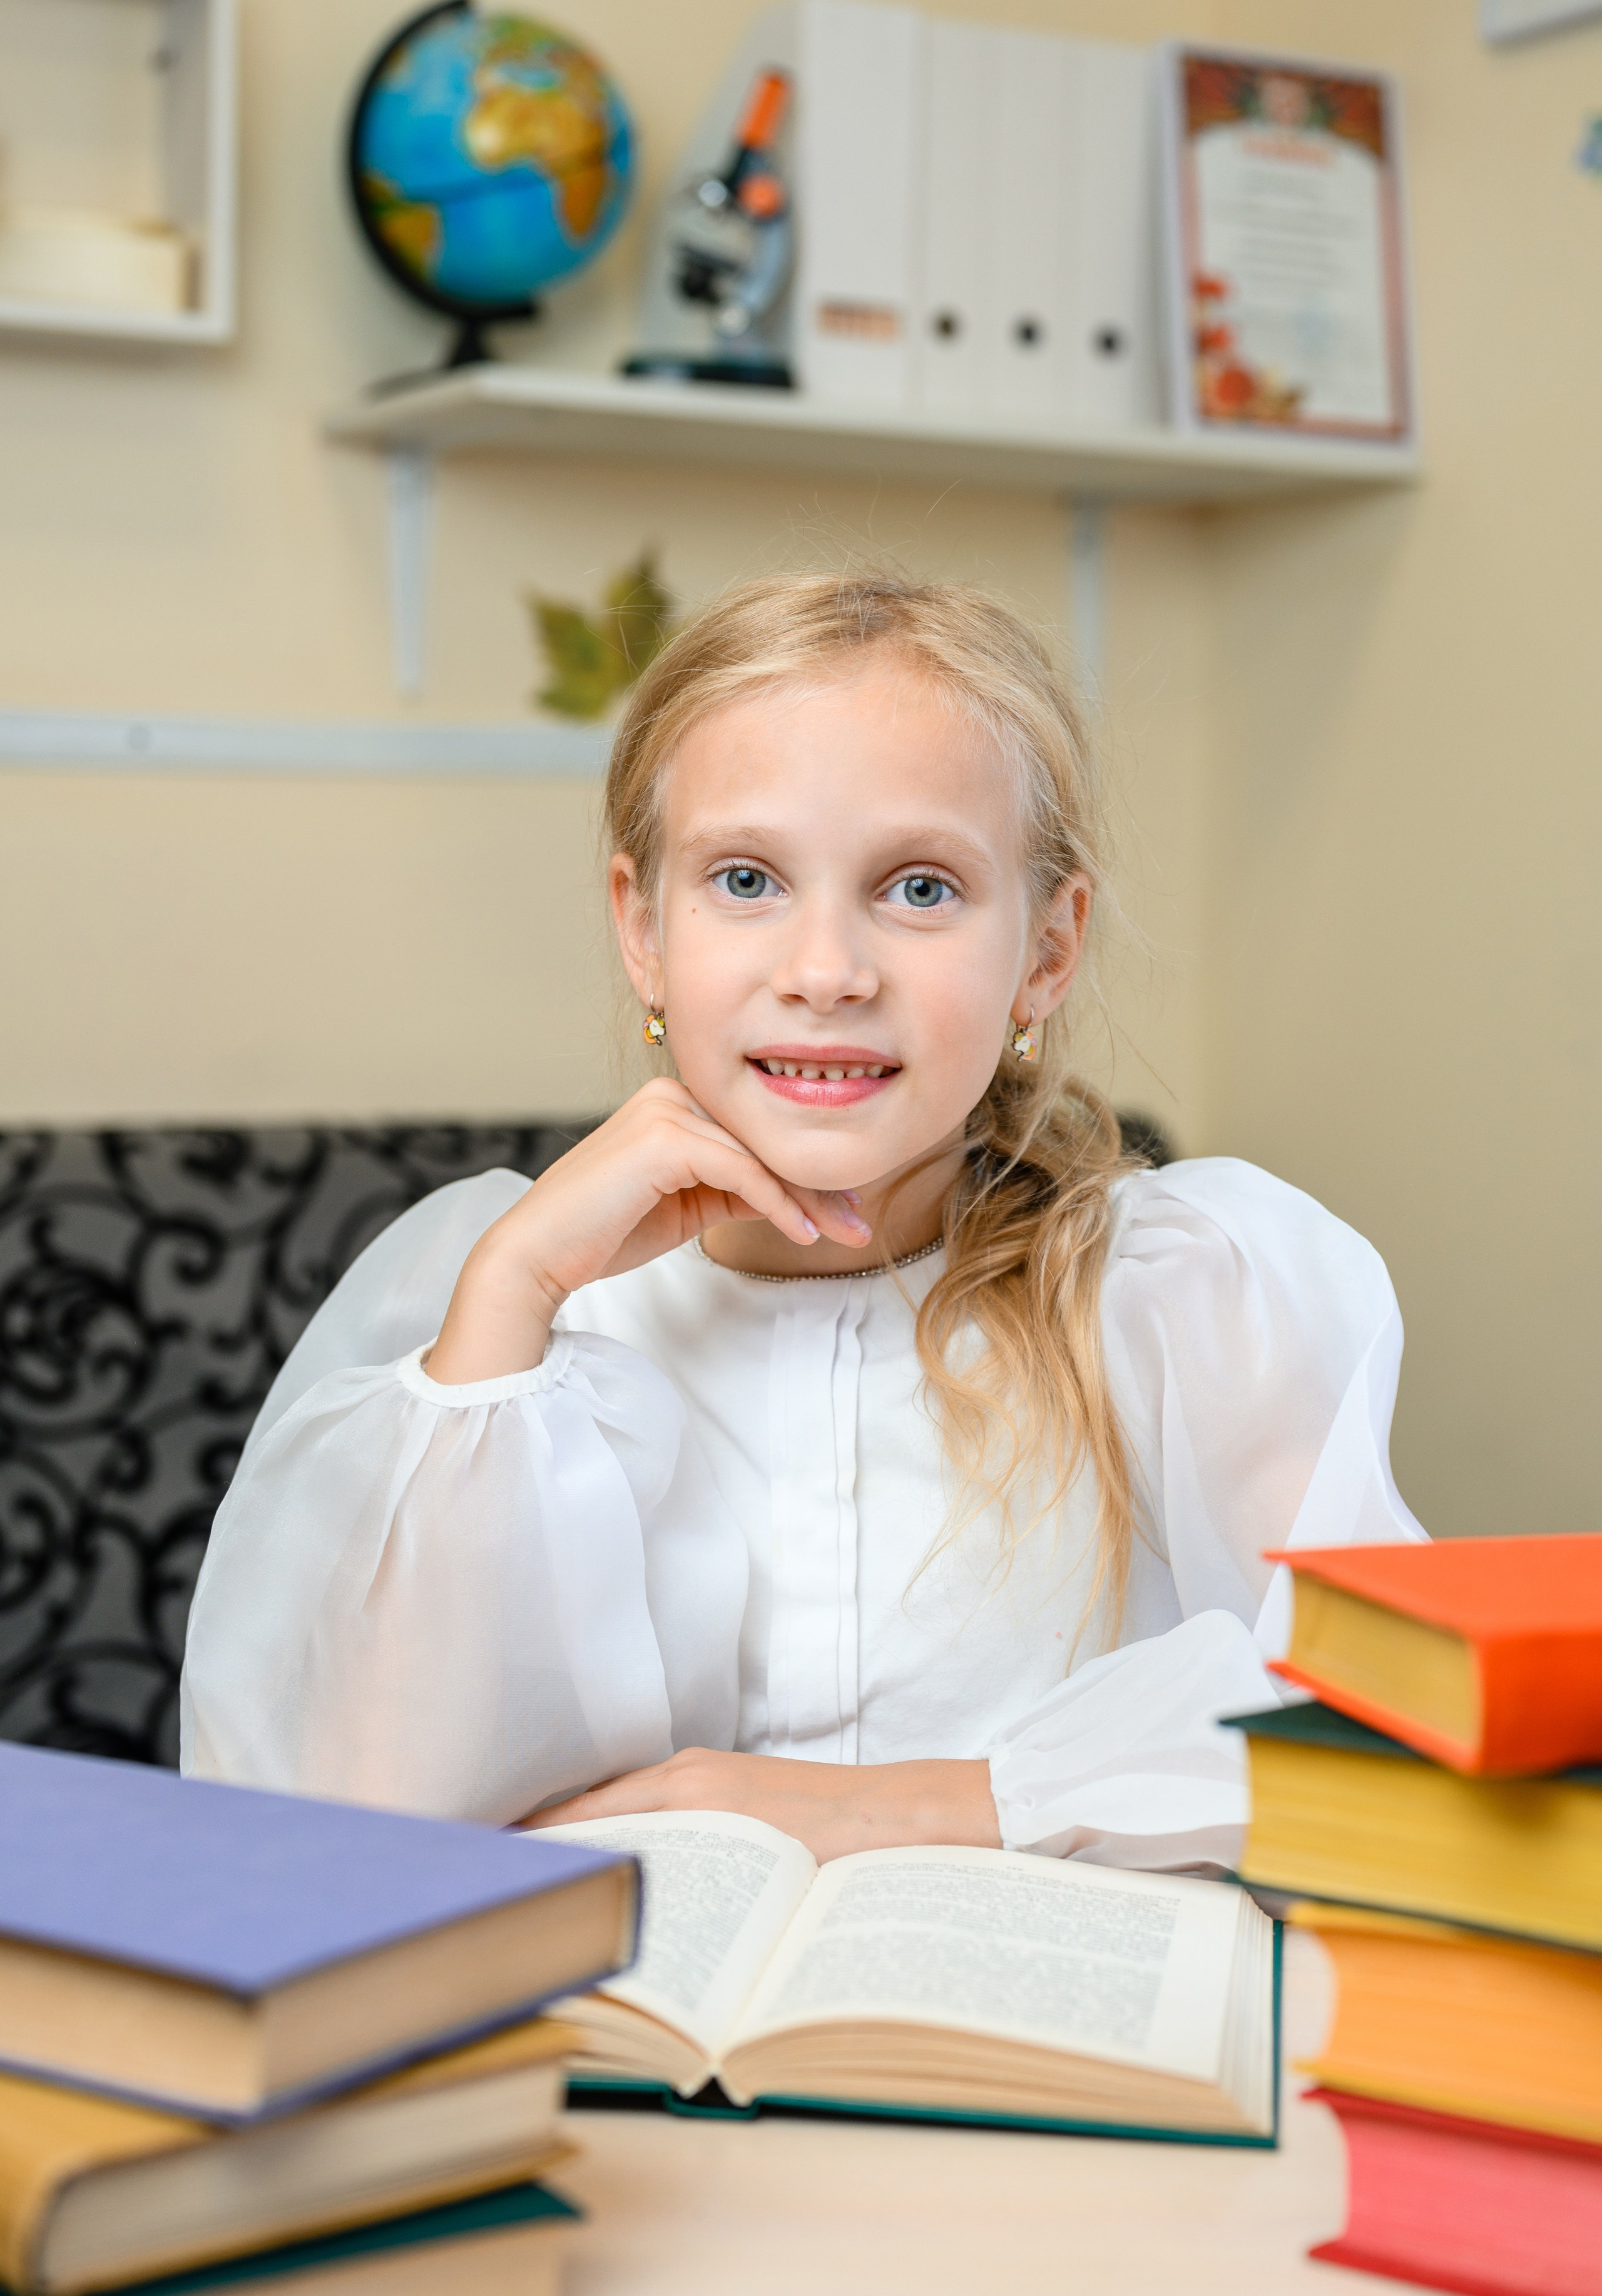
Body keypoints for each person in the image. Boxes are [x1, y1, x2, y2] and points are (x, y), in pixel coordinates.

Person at [181, 574, 1420, 1871]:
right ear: (640, 926)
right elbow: (335, 1839)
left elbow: (1382, 1726)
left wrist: (897, 1806)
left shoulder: (1183, 1298)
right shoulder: (495, 1330)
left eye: (921, 888)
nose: (825, 969)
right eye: (744, 878)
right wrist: (509, 1303)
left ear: (1045, 954)